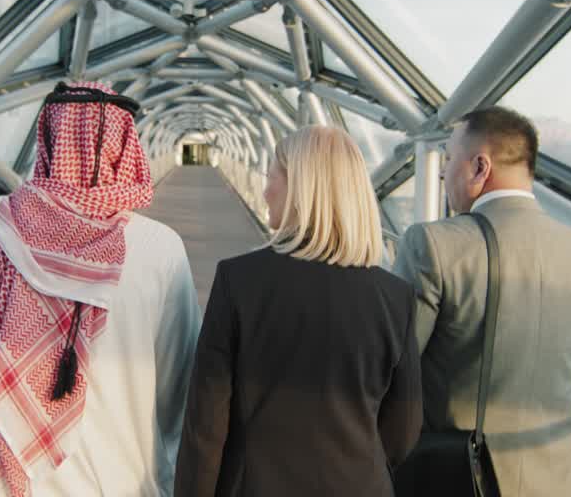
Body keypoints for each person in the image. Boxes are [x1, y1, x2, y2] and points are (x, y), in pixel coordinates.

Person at [0, 81, 200, 496]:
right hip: (121, 478)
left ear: (47, 139)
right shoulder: (159, 247)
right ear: (122, 147)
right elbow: (179, 378)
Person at [175, 125, 422, 497]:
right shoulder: (395, 298)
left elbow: (206, 427)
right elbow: (402, 430)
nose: (265, 190)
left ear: (300, 191)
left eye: (272, 176)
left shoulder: (239, 281)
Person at [395, 106, 571, 496]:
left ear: (480, 168)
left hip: (458, 477)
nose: (443, 172)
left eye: (449, 159)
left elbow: (395, 368)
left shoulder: (434, 244)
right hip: (557, 481)